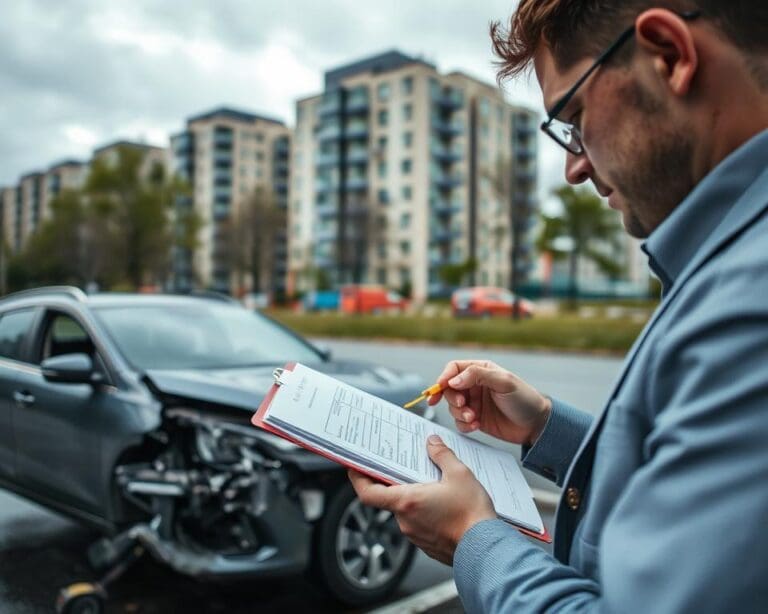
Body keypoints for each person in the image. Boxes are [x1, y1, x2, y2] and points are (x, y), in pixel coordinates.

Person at [349, 1, 768, 611]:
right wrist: (548, 427)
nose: (573, 167)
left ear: (670, 57)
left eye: (573, 117)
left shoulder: (747, 307)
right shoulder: (726, 258)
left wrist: (474, 538)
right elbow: (688, 485)